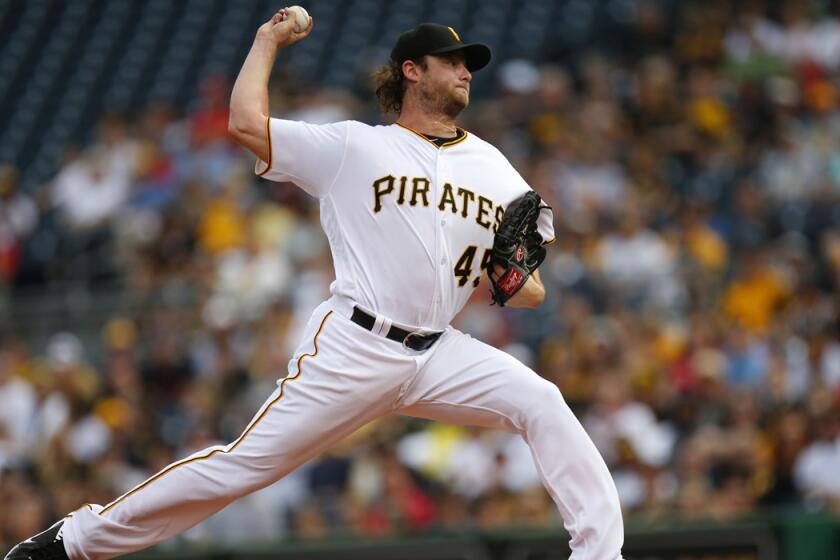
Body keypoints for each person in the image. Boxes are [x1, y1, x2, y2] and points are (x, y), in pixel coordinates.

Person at [5, 10, 624, 560]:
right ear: (412, 71)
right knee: (242, 468)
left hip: (438, 350)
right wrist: (266, 40)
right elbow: (247, 123)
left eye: (470, 64)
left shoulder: (494, 167)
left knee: (541, 400)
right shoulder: (354, 146)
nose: (466, 71)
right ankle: (74, 541)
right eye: (452, 61)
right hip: (355, 346)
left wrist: (512, 279)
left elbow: (527, 285)